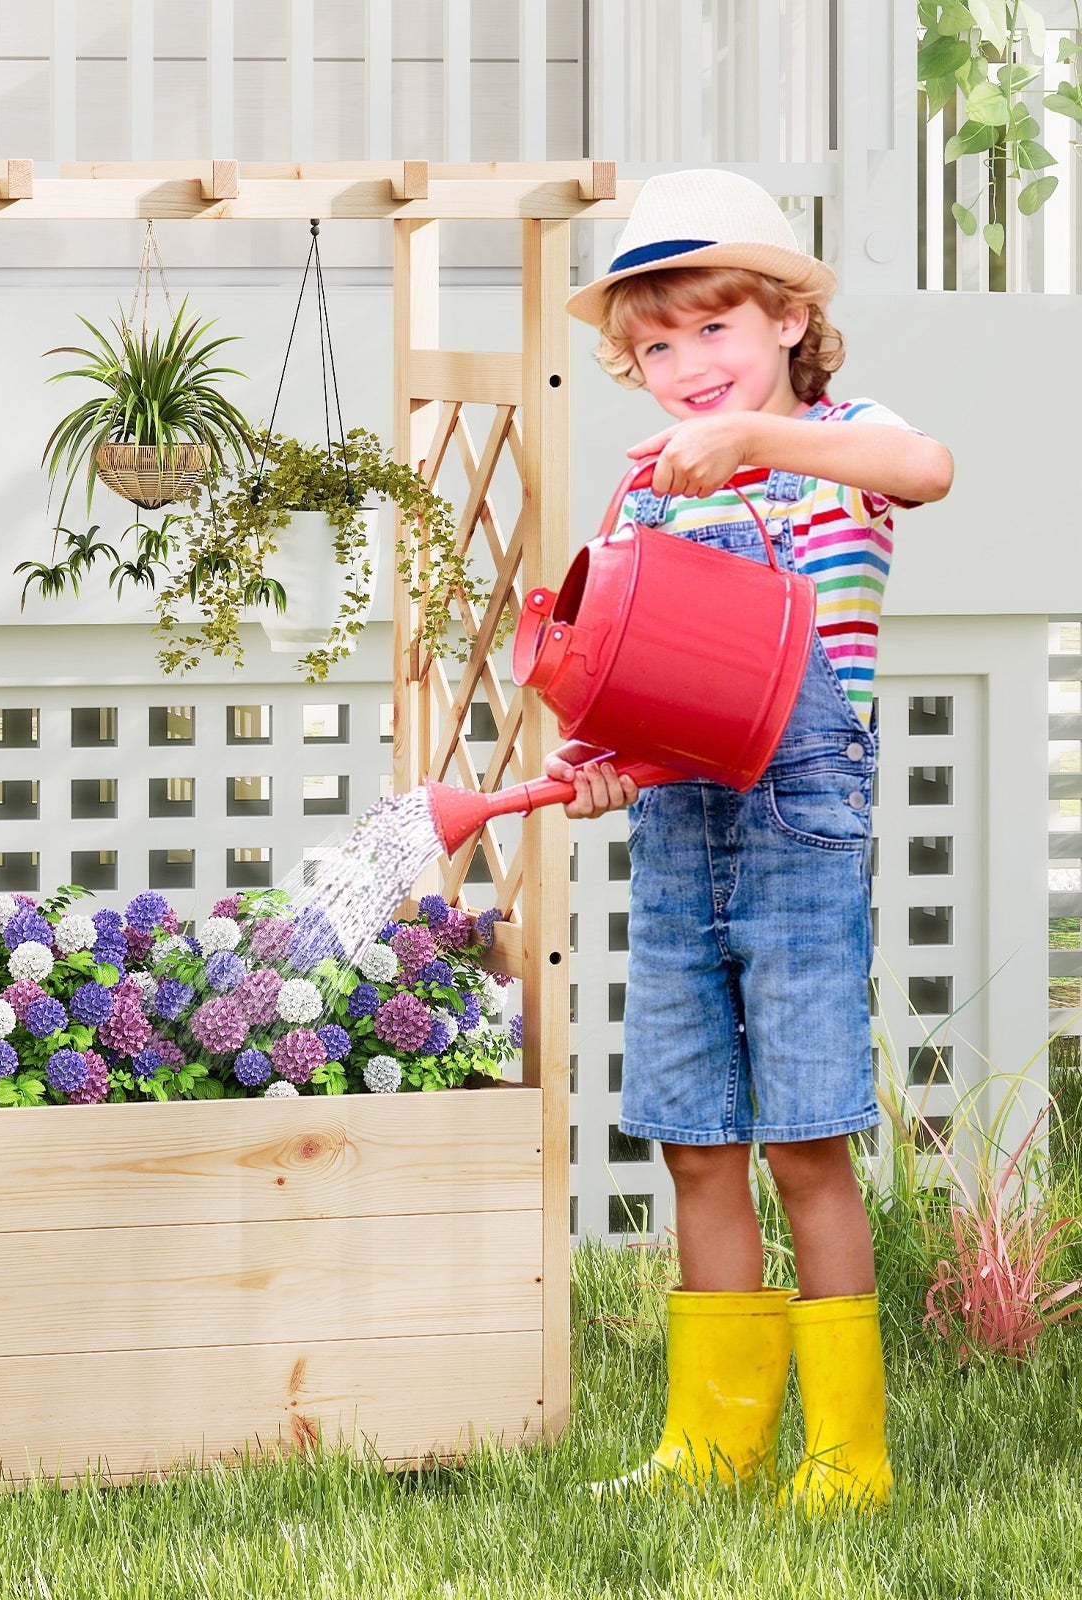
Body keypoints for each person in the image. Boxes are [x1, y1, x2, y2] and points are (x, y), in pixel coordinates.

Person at [556, 168, 953, 1511]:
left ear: (788, 318)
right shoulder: (644, 499)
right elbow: (610, 669)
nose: (685, 367)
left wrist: (766, 446)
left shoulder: (844, 442)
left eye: (713, 330)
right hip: (677, 830)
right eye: (657, 347)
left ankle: (847, 1456)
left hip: (799, 828)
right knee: (696, 1138)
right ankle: (712, 1444)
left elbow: (928, 468)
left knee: (805, 1139)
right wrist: (594, 762)